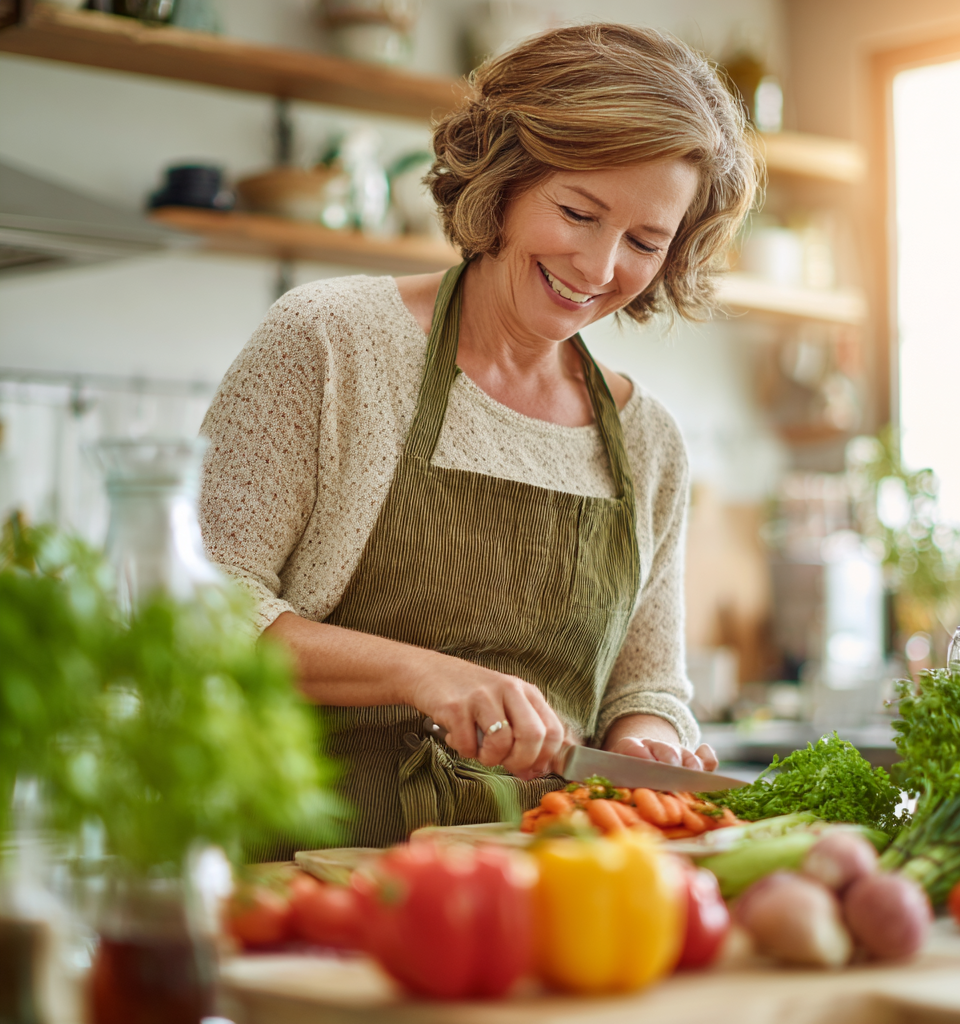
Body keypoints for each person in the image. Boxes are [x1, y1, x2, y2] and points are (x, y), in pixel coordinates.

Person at [198, 22, 759, 851]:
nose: (600, 268)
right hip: (299, 876)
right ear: (504, 179)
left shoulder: (649, 443)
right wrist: (425, 674)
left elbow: (648, 681)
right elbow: (200, 610)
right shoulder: (332, 342)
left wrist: (648, 739)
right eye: (578, 212)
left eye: (645, 241)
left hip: (540, 898)